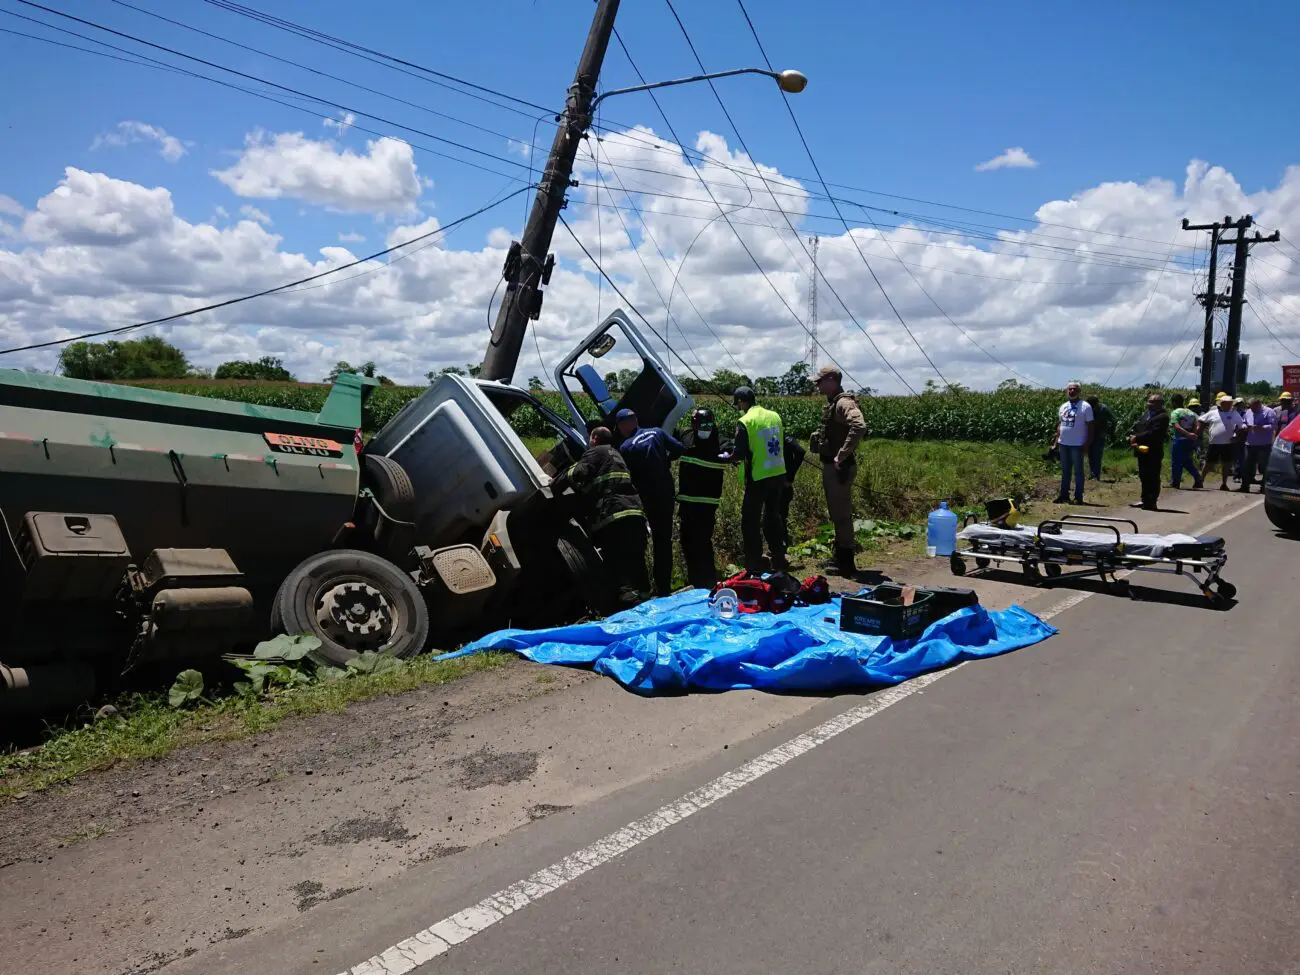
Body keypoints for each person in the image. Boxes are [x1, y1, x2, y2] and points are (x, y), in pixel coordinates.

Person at [552, 426, 649, 609]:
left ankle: (628, 609)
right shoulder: (616, 453)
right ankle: (645, 602)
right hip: (634, 513)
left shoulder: (595, 452)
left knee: (618, 563)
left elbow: (577, 473)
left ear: (594, 438)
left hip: (613, 517)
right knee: (636, 561)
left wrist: (555, 482)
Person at [615, 407, 684, 597]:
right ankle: (664, 587)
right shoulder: (658, 432)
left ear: (623, 425)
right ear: (635, 420)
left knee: (645, 539)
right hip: (666, 493)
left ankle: (645, 586)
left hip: (648, 498)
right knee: (663, 540)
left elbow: (628, 476)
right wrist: (666, 460)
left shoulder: (626, 446)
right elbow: (679, 448)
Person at [809, 365, 866, 575]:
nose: (817, 385)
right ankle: (840, 556)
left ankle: (846, 562)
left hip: (839, 468)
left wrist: (842, 453)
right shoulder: (834, 403)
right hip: (834, 466)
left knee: (841, 515)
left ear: (832, 380)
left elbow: (859, 426)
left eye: (820, 381)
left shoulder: (843, 402)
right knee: (837, 513)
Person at [728, 386, 787, 573]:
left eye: (738, 404)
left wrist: (730, 457)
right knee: (773, 517)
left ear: (741, 402)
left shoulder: (745, 421)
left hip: (759, 477)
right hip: (778, 474)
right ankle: (778, 556)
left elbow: (738, 453)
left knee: (750, 521)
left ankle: (754, 562)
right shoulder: (774, 416)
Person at [675, 407, 731, 589]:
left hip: (707, 502)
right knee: (687, 541)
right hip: (687, 501)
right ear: (694, 425)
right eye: (702, 425)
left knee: (703, 541)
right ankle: (695, 579)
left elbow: (731, 450)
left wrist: (728, 455)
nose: (706, 428)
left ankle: (708, 578)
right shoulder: (685, 436)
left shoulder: (720, 440)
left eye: (709, 424)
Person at [1053, 381, 1094, 504]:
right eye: (1070, 389)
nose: (1072, 391)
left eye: (1074, 389)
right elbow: (1060, 425)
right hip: (1064, 443)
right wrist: (1056, 442)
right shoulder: (1063, 406)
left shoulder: (1085, 406)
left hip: (1078, 444)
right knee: (1065, 471)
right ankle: (1064, 495)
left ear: (1079, 391)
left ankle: (1078, 496)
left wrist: (1087, 443)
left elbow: (1091, 426)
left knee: (1078, 471)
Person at [1128, 392, 1170, 510]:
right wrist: (1132, 437)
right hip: (1141, 450)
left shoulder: (1162, 417)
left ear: (1160, 404)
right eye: (1149, 401)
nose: (1149, 404)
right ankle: (1144, 499)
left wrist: (1137, 437)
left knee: (1153, 476)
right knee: (1143, 476)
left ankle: (1152, 501)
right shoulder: (1146, 415)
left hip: (1153, 451)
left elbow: (1154, 433)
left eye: (1152, 402)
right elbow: (1138, 428)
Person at [1198, 392, 1245, 491]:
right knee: (1209, 463)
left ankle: (1224, 483)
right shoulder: (1213, 413)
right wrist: (1199, 431)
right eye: (1225, 403)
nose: (1228, 405)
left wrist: (1237, 437)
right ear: (1221, 404)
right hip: (1214, 443)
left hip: (1228, 443)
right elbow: (1201, 420)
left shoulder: (1234, 413)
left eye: (1229, 403)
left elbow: (1242, 426)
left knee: (1227, 464)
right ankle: (1200, 481)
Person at [1240, 397, 1277, 493]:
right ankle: (1245, 486)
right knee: (1247, 465)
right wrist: (1244, 426)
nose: (1251, 409)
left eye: (1253, 407)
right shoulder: (1248, 412)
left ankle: (1264, 487)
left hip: (1264, 444)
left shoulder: (1269, 412)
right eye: (1250, 407)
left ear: (1258, 404)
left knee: (1264, 467)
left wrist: (1261, 427)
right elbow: (1244, 422)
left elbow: (1273, 425)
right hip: (1250, 443)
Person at [1167, 393, 1203, 490]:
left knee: (1176, 462)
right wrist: (1193, 434)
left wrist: (1187, 434)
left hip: (1179, 440)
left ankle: (1175, 482)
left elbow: (1176, 426)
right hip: (1189, 441)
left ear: (1174, 403)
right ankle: (1197, 477)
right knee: (1186, 460)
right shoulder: (1190, 412)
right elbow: (1196, 424)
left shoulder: (1175, 412)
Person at [779, 435, 807, 551]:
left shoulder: (785, 438)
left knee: (779, 515)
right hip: (780, 482)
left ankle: (782, 546)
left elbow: (801, 451)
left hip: (782, 483)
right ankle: (781, 545)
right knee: (780, 515)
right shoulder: (782, 437)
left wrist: (790, 477)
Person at [1085, 395, 1114, 481]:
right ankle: (1092, 474)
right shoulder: (1088, 408)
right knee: (1090, 455)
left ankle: (1096, 476)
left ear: (1097, 403)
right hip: (1090, 434)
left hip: (1099, 435)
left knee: (1097, 455)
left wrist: (1108, 432)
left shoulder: (1104, 409)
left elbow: (1113, 420)